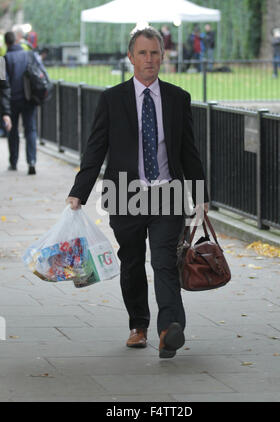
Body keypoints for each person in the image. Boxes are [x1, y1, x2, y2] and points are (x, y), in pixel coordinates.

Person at [67, 27, 209, 359]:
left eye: (155, 53)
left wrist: (200, 195)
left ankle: (168, 329)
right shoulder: (112, 99)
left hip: (166, 194)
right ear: (130, 58)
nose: (149, 59)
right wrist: (78, 193)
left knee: (164, 262)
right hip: (125, 195)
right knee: (131, 262)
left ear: (163, 56)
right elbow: (95, 149)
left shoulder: (177, 98)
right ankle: (138, 326)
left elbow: (189, 152)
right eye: (143, 53)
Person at [4, 31, 37, 174]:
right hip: (29, 99)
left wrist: (4, 108)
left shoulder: (2, 59)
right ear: (16, 41)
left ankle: (13, 161)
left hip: (12, 101)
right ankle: (32, 161)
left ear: (6, 43)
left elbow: (2, 85)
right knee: (30, 129)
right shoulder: (28, 54)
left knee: (13, 131)